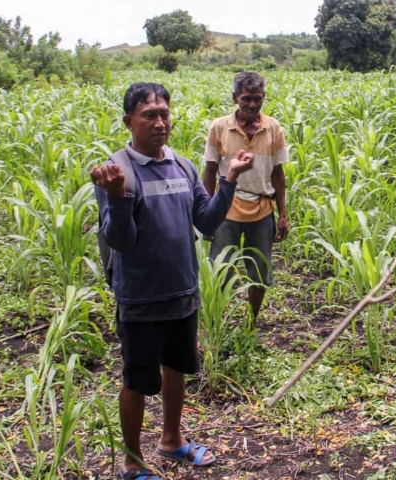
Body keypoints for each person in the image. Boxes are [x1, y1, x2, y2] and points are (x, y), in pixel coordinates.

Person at [91, 83, 254, 480]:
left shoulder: (182, 166)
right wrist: (116, 196)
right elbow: (121, 240)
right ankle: (132, 462)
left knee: (175, 368)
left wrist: (229, 179)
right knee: (136, 379)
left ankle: (172, 441)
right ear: (129, 121)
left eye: (165, 114)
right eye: (150, 115)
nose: (160, 123)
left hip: (182, 291)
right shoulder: (117, 171)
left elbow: (206, 220)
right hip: (140, 297)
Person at [203, 71, 289, 321]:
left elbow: (278, 174)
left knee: (260, 271)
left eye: (257, 99)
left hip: (262, 210)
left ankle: (252, 321)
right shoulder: (219, 127)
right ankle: (216, 322)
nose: (252, 104)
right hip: (225, 211)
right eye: (246, 98)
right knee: (220, 270)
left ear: (263, 98)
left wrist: (282, 214)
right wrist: (207, 213)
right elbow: (209, 173)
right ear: (235, 98)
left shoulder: (273, 128)